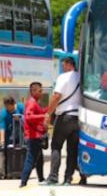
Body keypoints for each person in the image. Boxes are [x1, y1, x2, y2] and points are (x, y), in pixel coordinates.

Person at [45, 57, 82, 185]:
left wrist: (48, 113)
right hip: (77, 118)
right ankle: (68, 179)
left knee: (56, 146)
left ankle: (53, 177)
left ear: (69, 65)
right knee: (72, 150)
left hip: (64, 117)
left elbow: (56, 96)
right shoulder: (81, 77)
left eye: (64, 65)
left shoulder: (63, 77)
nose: (63, 68)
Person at [20, 82, 48, 187]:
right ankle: (23, 182)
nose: (42, 92)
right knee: (31, 159)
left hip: (36, 135)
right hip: (33, 136)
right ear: (33, 91)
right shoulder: (32, 102)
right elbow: (28, 117)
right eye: (40, 91)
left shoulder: (36, 102)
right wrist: (43, 116)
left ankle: (41, 178)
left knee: (39, 158)